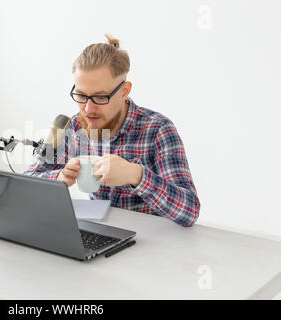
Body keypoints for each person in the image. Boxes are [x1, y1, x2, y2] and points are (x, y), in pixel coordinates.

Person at [23, 35, 200, 227]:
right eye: (81, 96)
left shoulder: (158, 129)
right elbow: (26, 183)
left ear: (124, 91)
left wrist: (135, 175)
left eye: (100, 97)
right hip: (97, 234)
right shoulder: (75, 126)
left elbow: (189, 211)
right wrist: (58, 178)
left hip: (149, 244)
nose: (88, 109)